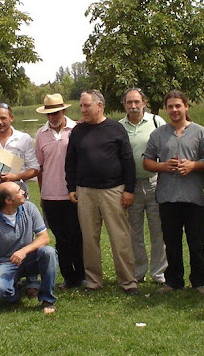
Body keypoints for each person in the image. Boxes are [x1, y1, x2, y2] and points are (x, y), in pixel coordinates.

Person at [65, 89, 139, 295]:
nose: (83, 109)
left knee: (120, 238)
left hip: (113, 191)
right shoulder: (78, 132)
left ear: (100, 106)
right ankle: (93, 281)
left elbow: (127, 161)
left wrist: (129, 190)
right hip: (85, 192)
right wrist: (71, 187)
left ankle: (128, 281)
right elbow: (70, 162)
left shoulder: (116, 129)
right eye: (81, 106)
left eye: (86, 105)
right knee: (89, 239)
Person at [143, 90, 204, 295]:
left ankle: (200, 281)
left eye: (178, 106)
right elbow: (147, 161)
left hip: (193, 198)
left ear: (186, 106)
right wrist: (163, 166)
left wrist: (194, 165)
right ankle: (173, 281)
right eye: (170, 107)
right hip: (167, 197)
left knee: (196, 242)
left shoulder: (200, 132)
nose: (174, 110)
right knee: (171, 242)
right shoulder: (158, 134)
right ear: (166, 109)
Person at [0, 182, 58, 314]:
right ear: (9, 201)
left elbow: (44, 238)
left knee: (48, 252)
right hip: (6, 263)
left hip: (31, 258)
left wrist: (23, 251)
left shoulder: (30, 208)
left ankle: (47, 300)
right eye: (19, 191)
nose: (23, 192)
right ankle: (16, 293)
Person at [118, 88, 168, 285]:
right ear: (124, 105)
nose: (133, 106)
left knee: (159, 231)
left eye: (137, 102)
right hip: (131, 187)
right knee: (134, 233)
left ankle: (159, 273)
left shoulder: (157, 122)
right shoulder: (119, 127)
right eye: (129, 102)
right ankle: (138, 272)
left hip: (155, 182)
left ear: (144, 103)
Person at [35, 93, 84, 289]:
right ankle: (68, 278)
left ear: (63, 110)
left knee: (77, 236)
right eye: (49, 114)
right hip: (50, 195)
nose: (53, 117)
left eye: (56, 112)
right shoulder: (40, 134)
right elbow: (40, 167)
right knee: (61, 239)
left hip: (73, 194)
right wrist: (42, 194)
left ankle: (82, 276)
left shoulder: (77, 129)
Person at [0, 103, 40, 191]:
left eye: (3, 118)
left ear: (11, 118)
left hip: (18, 195)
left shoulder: (24, 139)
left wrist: (16, 176)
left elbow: (35, 169)